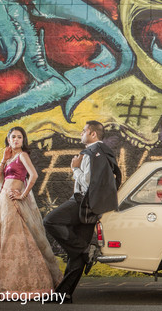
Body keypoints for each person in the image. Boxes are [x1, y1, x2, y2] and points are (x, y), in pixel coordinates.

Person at [0, 127, 62, 298]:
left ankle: (23, 285)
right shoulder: (9, 159)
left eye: (19, 137)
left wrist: (23, 195)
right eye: (13, 137)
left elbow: (33, 175)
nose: (16, 140)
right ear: (8, 140)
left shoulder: (23, 156)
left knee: (15, 239)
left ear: (23, 140)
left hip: (14, 202)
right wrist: (3, 159)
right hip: (2, 202)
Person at [43, 121, 122, 303]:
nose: (81, 133)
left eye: (84, 130)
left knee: (50, 221)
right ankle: (64, 294)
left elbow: (87, 183)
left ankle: (86, 248)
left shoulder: (92, 154)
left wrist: (75, 168)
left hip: (82, 201)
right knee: (76, 256)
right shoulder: (105, 152)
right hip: (93, 206)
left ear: (93, 134)